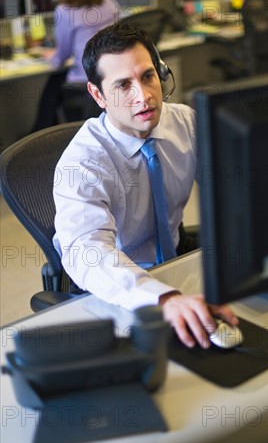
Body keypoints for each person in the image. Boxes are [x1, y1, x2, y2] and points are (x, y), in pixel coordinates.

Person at [53, 23, 238, 348]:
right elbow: (87, 251)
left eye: (148, 76)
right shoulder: (82, 163)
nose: (144, 96)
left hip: (177, 265)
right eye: (123, 85)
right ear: (98, 95)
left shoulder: (184, 122)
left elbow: (234, 187)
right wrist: (162, 299)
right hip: (117, 285)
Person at [32, 0, 120, 131]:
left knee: (53, 84)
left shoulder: (64, 11)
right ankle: (41, 135)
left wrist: (51, 56)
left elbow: (61, 58)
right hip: (110, 75)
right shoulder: (109, 3)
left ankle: (40, 136)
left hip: (84, 82)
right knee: (54, 85)